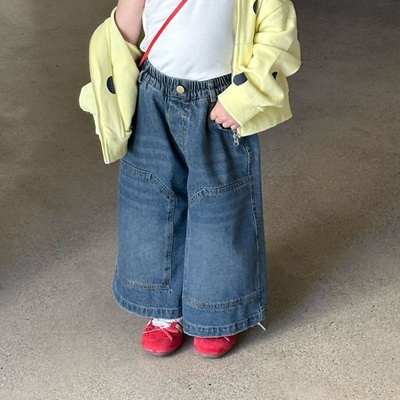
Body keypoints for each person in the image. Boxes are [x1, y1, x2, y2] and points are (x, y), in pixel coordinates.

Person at [112, 0, 301, 357]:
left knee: (220, 208)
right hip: (153, 94)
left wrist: (243, 97)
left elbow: (278, 33)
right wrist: (116, 89)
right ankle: (164, 308)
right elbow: (124, 28)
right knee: (153, 205)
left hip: (220, 99)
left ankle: (216, 311)